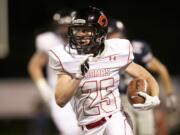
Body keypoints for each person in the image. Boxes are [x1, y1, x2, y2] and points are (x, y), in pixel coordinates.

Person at [48, 6, 160, 135]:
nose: (79, 34)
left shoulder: (116, 49)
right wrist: (78, 77)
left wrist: (155, 97)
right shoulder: (66, 56)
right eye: (77, 30)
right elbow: (60, 100)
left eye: (85, 30)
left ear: (100, 32)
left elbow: (145, 76)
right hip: (88, 127)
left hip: (114, 118)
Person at [107, 18, 177, 135]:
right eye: (109, 34)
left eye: (114, 33)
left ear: (122, 34)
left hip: (142, 97)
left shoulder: (135, 48)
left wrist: (169, 93)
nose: (112, 38)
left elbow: (161, 68)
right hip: (120, 102)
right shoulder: (103, 53)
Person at [28, 8, 81, 135]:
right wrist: (44, 89)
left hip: (85, 93)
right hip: (60, 93)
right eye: (62, 26)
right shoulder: (49, 41)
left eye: (67, 25)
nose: (64, 29)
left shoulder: (86, 40)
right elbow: (34, 65)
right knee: (70, 131)